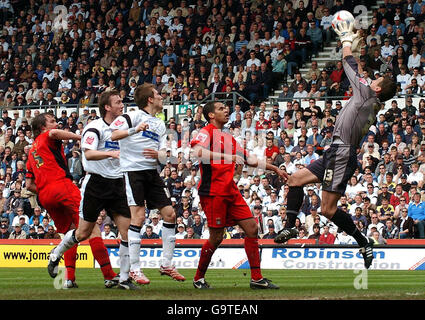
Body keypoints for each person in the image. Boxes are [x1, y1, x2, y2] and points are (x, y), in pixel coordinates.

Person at [274, 18, 397, 270]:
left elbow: (348, 64)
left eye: (377, 79)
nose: (373, 79)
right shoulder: (371, 98)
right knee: (294, 179)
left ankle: (363, 241)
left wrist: (347, 41)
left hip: (342, 154)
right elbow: (360, 72)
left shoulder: (367, 94)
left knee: (328, 210)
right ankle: (288, 228)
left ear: (378, 88)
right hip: (334, 151)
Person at [190, 100, 287, 289]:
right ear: (211, 115)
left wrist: (274, 167)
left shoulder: (227, 138)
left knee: (252, 228)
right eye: (220, 109)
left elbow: (249, 159)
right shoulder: (206, 132)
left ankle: (256, 278)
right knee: (216, 238)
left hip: (230, 191)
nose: (226, 111)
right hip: (213, 192)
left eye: (226, 108)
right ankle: (198, 278)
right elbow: (198, 152)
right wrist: (229, 158)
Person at [46, 91, 137, 290]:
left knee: (128, 233)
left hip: (117, 184)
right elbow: (89, 153)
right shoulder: (94, 128)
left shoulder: (123, 127)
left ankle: (123, 279)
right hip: (96, 185)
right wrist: (111, 153)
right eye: (118, 102)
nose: (122, 105)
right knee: (83, 233)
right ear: (107, 107)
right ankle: (57, 252)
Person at [25, 112, 119, 289]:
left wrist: (47, 187)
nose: (56, 124)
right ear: (42, 128)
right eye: (52, 122)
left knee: (69, 233)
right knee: (91, 229)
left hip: (45, 195)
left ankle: (69, 279)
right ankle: (109, 276)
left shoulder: (31, 152)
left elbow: (29, 185)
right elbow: (53, 134)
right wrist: (82, 136)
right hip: (62, 186)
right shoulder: (47, 136)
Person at [110, 83, 185, 284]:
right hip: (133, 172)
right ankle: (134, 269)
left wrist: (159, 154)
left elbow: (163, 153)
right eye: (158, 95)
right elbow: (113, 135)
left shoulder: (160, 124)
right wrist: (135, 129)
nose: (162, 97)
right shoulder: (131, 116)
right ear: (150, 99)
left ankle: (167, 263)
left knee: (170, 214)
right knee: (139, 217)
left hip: (151, 172)